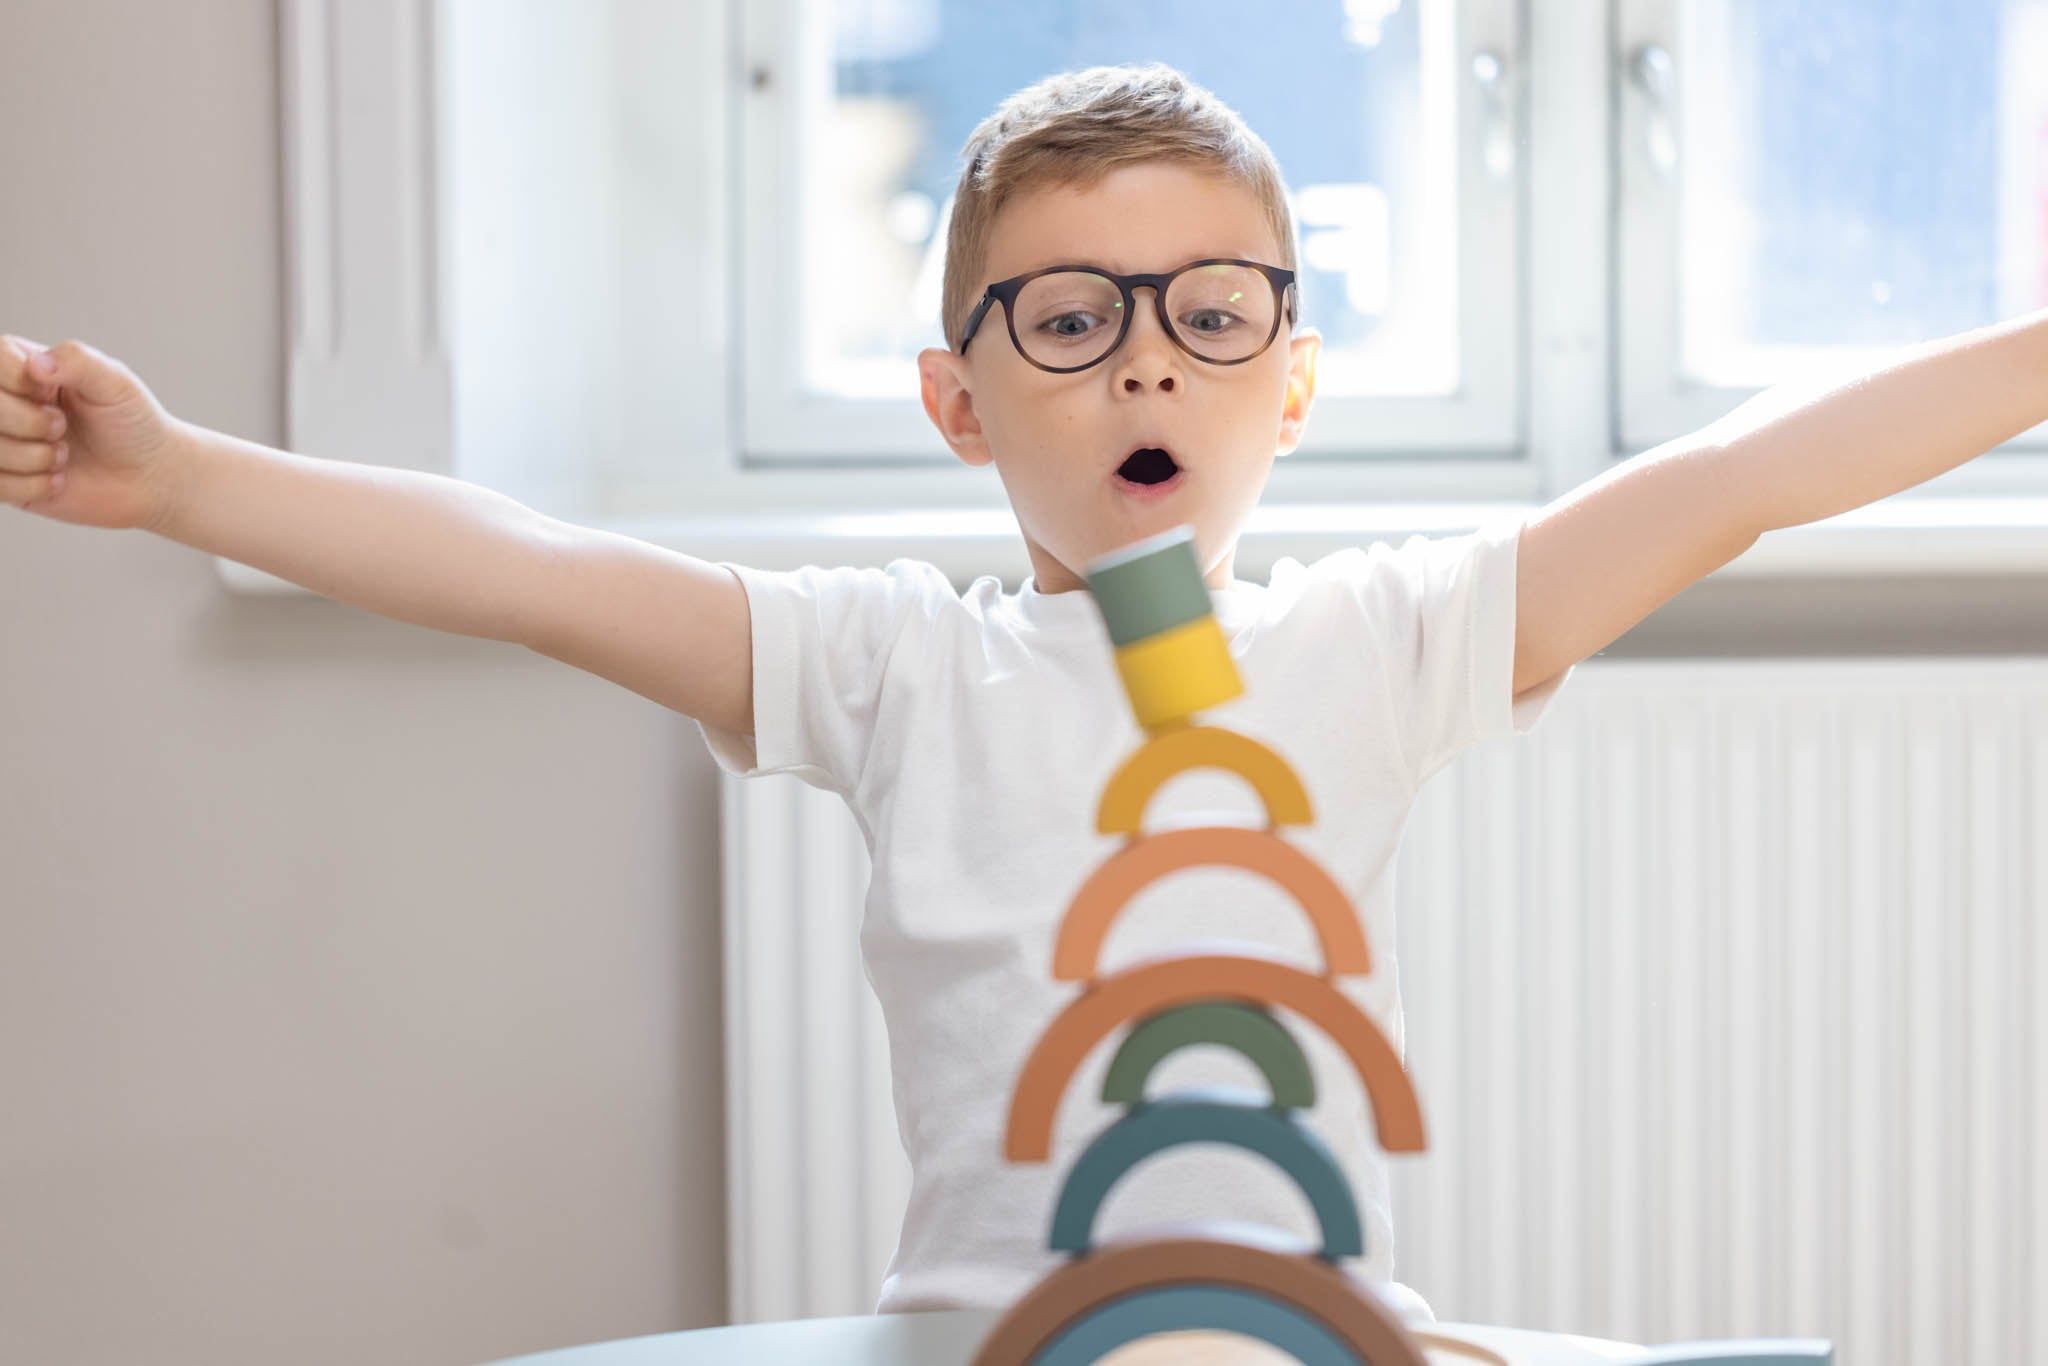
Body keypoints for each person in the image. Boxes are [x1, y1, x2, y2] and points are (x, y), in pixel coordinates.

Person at [8, 60, 2045, 1325]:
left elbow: (1739, 476)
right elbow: (536, 572)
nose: (1145, 365)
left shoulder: (1385, 638)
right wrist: (185, 475)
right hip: (983, 1325)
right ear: (958, 401)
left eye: (1208, 315)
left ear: (1292, 382)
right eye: (1073, 320)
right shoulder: (894, 663)